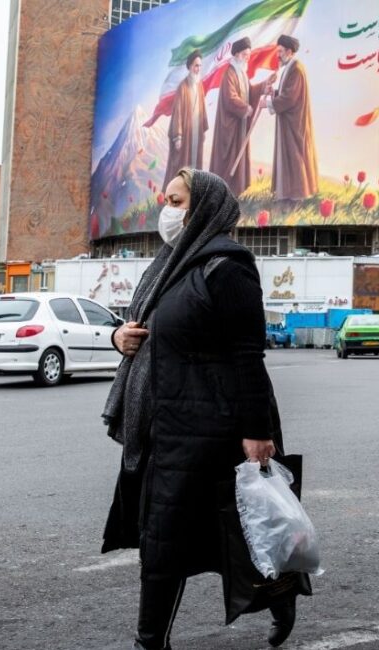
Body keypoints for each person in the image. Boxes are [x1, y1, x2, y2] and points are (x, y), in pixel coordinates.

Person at [101, 167, 301, 648]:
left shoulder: (227, 267)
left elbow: (248, 355)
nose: (166, 211)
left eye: (175, 200)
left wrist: (256, 431)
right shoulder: (170, 266)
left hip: (217, 429)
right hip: (164, 427)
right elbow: (147, 333)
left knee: (248, 529)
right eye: (165, 199)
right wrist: (118, 338)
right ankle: (150, 641)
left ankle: (282, 599)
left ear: (203, 208)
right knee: (162, 541)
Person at [209, 38, 270, 197]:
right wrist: (245, 108)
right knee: (227, 160)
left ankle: (237, 192)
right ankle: (223, 194)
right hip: (229, 127)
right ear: (236, 54)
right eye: (244, 54)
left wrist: (264, 86)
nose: (247, 58)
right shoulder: (229, 73)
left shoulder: (241, 73)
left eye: (248, 55)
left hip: (239, 125)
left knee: (239, 158)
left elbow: (250, 91)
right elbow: (230, 98)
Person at [261, 35, 318, 201]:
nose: (277, 55)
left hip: (295, 124)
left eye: (280, 51)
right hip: (288, 121)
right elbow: (285, 94)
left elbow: (290, 98)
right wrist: (274, 94)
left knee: (295, 157)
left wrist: (268, 103)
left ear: (289, 51)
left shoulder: (296, 69)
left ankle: (297, 196)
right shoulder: (289, 67)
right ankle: (287, 194)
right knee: (289, 157)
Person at [162, 50, 209, 190]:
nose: (198, 69)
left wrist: (203, 128)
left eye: (200, 66)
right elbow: (177, 114)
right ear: (189, 67)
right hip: (186, 134)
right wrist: (178, 137)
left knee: (195, 163)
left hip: (196, 132)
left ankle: (194, 191)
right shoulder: (182, 87)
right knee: (182, 164)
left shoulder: (199, 85)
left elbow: (202, 108)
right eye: (195, 65)